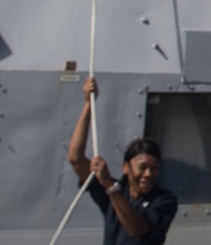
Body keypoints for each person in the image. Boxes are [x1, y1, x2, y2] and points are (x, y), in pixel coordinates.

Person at [68, 77, 178, 244]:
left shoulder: (165, 200)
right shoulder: (115, 191)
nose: (148, 174)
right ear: (126, 167)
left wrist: (110, 187)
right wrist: (88, 105)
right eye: (142, 167)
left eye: (154, 168)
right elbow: (76, 159)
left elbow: (137, 229)